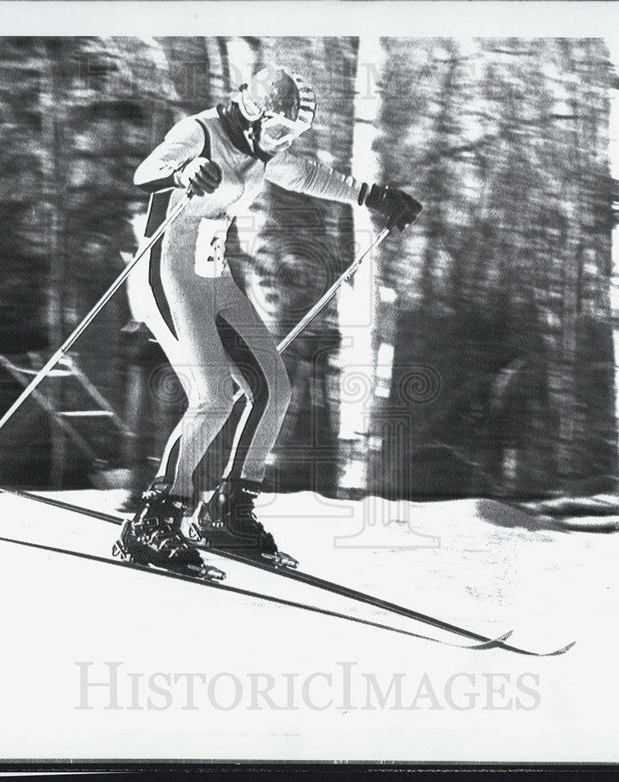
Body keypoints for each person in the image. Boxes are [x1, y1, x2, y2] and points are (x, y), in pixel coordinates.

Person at [116, 65, 422, 576]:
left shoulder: (262, 152)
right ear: (254, 111)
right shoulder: (201, 132)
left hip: (211, 277)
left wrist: (371, 196)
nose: (280, 144)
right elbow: (144, 173)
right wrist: (183, 172)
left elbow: (304, 175)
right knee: (212, 397)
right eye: (278, 131)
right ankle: (153, 516)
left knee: (273, 388)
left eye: (290, 136)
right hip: (163, 274)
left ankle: (226, 511)